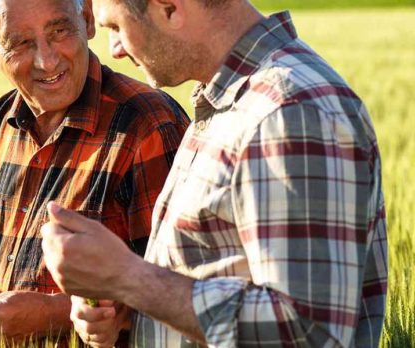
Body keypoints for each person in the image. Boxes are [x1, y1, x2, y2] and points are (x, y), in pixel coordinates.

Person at [40, 0, 388, 347]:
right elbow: (223, 276)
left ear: (169, 9)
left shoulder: (288, 113)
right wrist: (131, 308)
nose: (113, 49)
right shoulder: (231, 104)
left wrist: (130, 278)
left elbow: (307, 334)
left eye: (115, 27)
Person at [0, 0, 189, 344]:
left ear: (86, 19)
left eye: (59, 31)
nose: (47, 60)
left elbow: (182, 292)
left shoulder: (148, 126)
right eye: (21, 44)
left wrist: (54, 315)